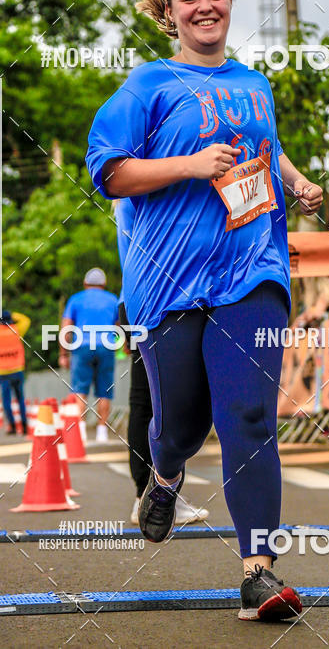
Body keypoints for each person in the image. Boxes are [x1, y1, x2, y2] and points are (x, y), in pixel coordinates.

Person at [86, 0, 323, 622]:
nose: (205, 5)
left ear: (229, 2)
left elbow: (265, 148)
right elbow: (109, 171)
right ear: (173, 12)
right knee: (181, 427)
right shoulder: (148, 84)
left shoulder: (254, 84)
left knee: (249, 416)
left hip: (252, 267)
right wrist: (189, 164)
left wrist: (296, 182)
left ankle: (258, 574)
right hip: (167, 279)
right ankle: (163, 476)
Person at [114, 197, 210, 527]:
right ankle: (152, 494)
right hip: (160, 301)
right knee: (156, 403)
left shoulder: (129, 194)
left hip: (136, 299)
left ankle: (149, 492)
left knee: (147, 401)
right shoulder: (140, 192)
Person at [59, 268, 119, 443]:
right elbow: (119, 326)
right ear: (104, 284)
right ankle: (102, 431)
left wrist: (64, 353)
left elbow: (66, 327)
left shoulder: (75, 299)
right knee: (105, 391)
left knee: (80, 390)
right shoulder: (113, 299)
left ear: (85, 284)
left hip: (81, 347)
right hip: (106, 346)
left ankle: (81, 430)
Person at [0, 310, 31, 435]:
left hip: (1, 370)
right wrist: (14, 315)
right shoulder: (16, 330)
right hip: (17, 369)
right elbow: (26, 320)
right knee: (20, 399)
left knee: (6, 400)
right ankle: (24, 426)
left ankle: (12, 426)